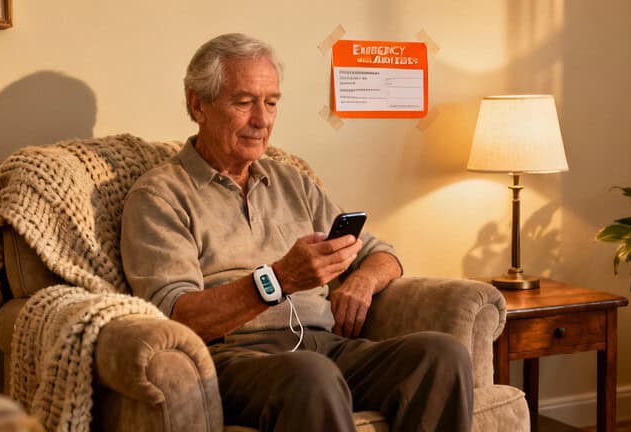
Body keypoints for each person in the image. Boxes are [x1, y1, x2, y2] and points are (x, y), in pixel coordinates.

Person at [120, 33, 473, 432]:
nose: (262, 119)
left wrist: (361, 281)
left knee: (441, 355)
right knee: (312, 375)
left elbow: (383, 254)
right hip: (234, 359)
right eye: (244, 102)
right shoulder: (160, 196)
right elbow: (176, 316)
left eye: (271, 103)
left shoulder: (293, 181)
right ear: (197, 104)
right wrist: (280, 279)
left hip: (323, 346)